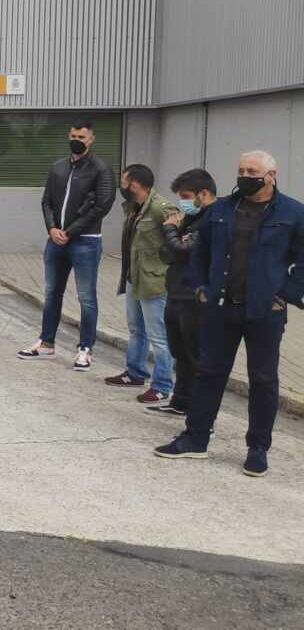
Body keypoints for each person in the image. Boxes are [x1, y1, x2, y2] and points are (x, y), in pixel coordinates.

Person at [155, 151, 304, 477]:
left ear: (271, 175)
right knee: (209, 373)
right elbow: (200, 251)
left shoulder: (293, 213)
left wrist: (287, 293)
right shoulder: (221, 209)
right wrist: (199, 286)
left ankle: (257, 449)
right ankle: (195, 439)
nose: (244, 175)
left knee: (263, 380)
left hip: (265, 311)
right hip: (220, 308)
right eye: (241, 170)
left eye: (252, 170)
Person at [16, 120, 116, 370]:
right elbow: (46, 201)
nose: (77, 140)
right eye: (73, 135)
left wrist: (70, 232)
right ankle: (46, 344)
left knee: (86, 297)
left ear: (91, 139)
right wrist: (52, 229)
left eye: (82, 137)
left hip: (85, 242)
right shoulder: (58, 167)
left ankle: (85, 349)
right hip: (55, 241)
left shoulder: (101, 169)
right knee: (51, 294)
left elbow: (102, 206)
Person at [105, 165, 179, 402]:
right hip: (133, 278)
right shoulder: (134, 207)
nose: (122, 186)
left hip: (153, 283)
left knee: (158, 336)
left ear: (135, 184)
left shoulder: (160, 207)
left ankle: (162, 385)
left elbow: (179, 236)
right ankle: (135, 373)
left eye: (124, 181)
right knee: (136, 330)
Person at [154, 169, 217, 417]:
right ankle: (179, 401)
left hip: (195, 295)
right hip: (176, 291)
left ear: (203, 194)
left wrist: (171, 231)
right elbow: (167, 253)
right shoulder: (190, 220)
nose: (183, 202)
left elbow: (183, 251)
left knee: (194, 354)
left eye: (187, 196)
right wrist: (175, 236)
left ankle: (198, 409)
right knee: (179, 351)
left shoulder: (211, 220)